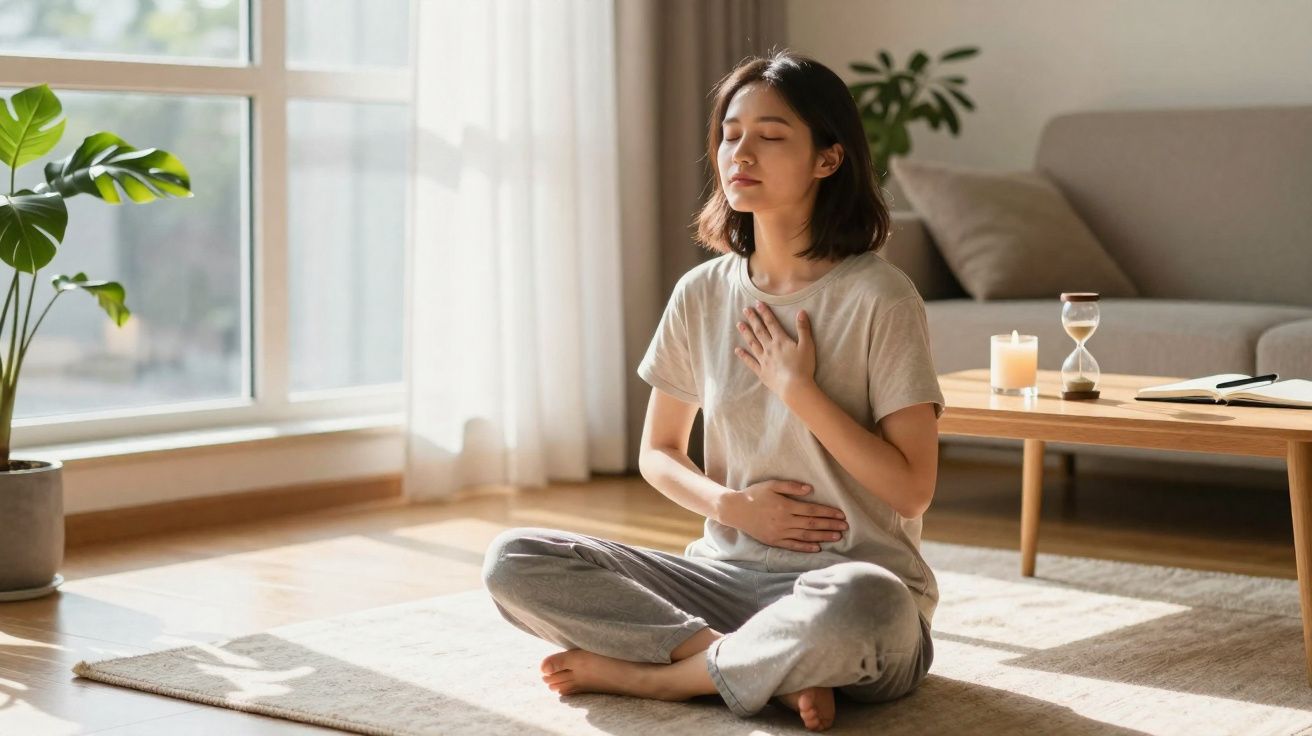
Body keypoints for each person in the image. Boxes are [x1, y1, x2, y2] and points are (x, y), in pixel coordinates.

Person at [481, 48, 946, 732]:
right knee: (514, 561)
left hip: (850, 586)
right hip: (724, 581)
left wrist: (798, 388)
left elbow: (912, 490)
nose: (740, 152)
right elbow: (659, 453)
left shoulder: (881, 297)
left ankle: (667, 679)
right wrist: (734, 507)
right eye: (730, 134)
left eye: (771, 135)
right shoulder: (702, 293)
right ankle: (748, 666)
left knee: (868, 606)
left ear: (829, 158)